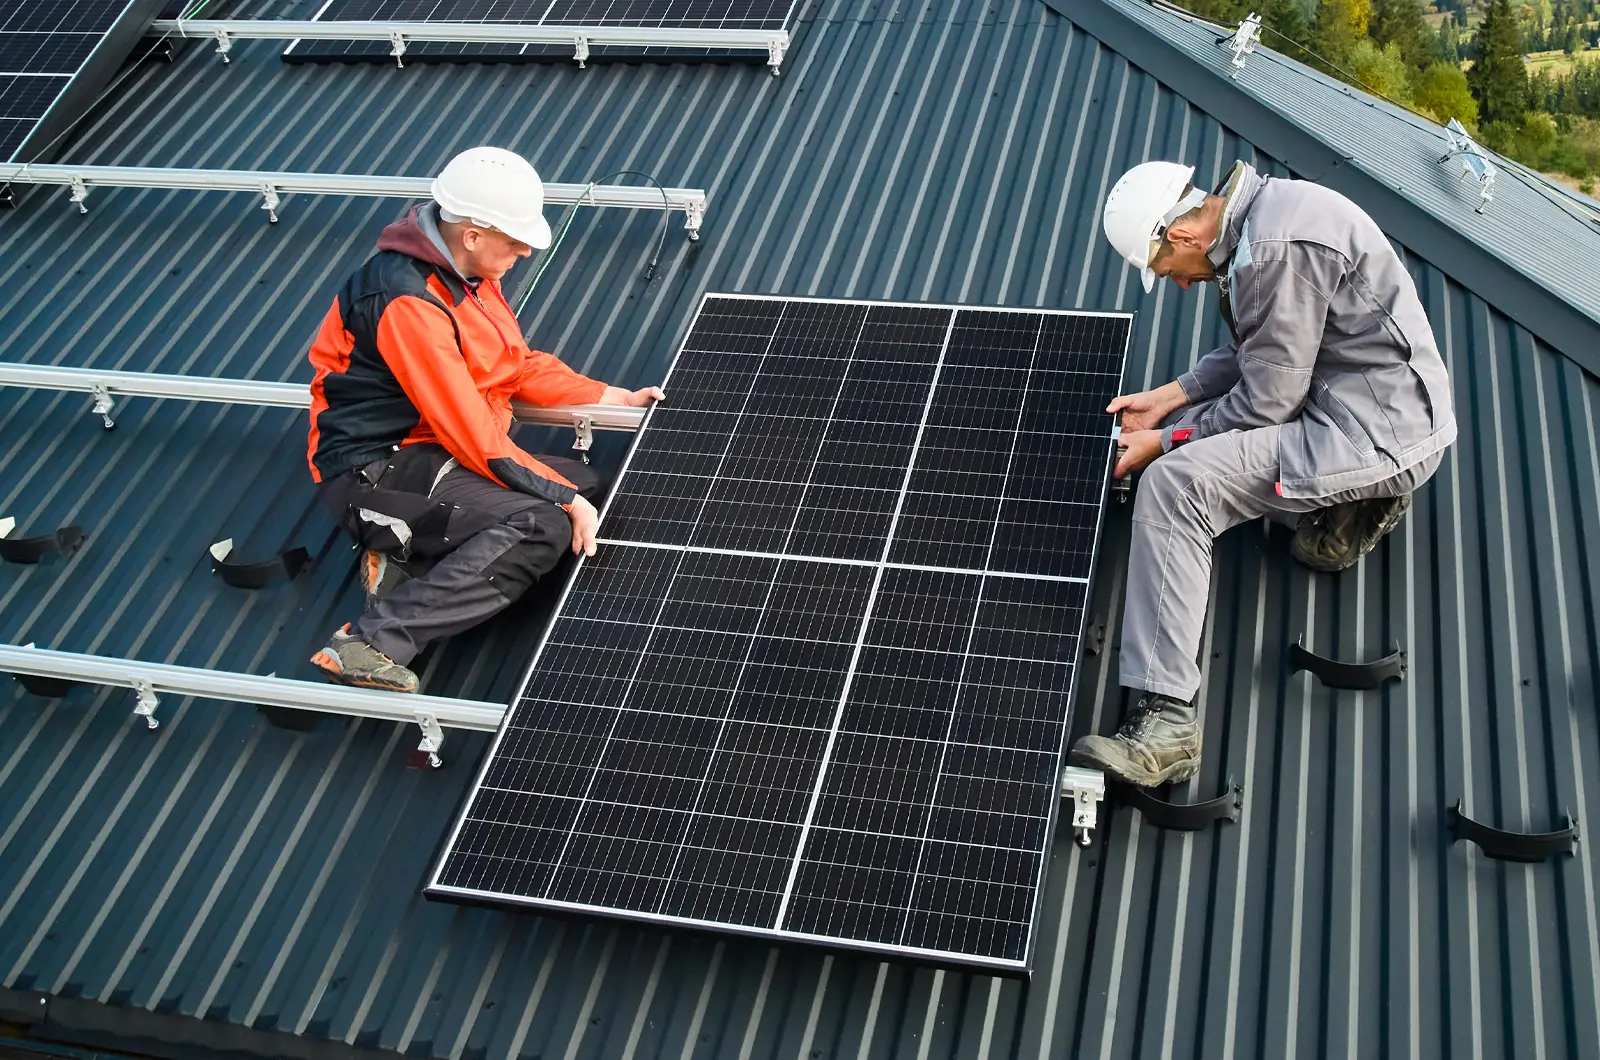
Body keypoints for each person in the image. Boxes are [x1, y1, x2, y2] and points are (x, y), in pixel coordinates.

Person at [1069, 160, 1456, 787]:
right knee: (1196, 437)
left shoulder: (1272, 251)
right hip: (1361, 402)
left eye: (1168, 270)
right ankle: (1348, 504)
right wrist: (1170, 397)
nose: (1181, 285)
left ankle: (1168, 721)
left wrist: (1163, 442)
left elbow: (1264, 404)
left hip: (1371, 432)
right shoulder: (1267, 217)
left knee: (1175, 485)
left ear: (1181, 235)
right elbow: (1262, 347)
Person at [304, 146, 664, 693]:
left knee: (586, 483)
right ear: (472, 234)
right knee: (545, 523)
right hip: (373, 471)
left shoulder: (466, 275)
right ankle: (373, 642)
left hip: (430, 454)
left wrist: (610, 397)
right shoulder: (407, 302)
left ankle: (404, 561)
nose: (525, 250)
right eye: (515, 240)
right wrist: (563, 500)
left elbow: (509, 366)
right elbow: (470, 430)